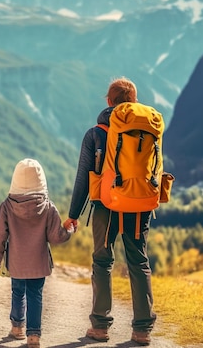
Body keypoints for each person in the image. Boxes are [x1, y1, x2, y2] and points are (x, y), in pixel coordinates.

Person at [63, 77, 157, 346]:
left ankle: (100, 326)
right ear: (134, 101)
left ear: (108, 100)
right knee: (139, 261)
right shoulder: (146, 128)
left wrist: (74, 213)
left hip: (106, 205)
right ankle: (142, 330)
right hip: (139, 205)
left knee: (103, 262)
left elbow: (83, 177)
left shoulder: (96, 133)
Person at [0, 158, 73, 348]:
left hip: (16, 263)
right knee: (35, 294)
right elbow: (57, 237)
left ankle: (17, 327)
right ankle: (33, 336)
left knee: (17, 291)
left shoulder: (7, 207)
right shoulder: (48, 207)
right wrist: (69, 230)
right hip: (38, 263)